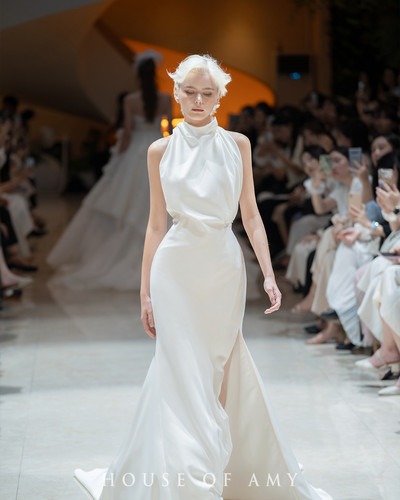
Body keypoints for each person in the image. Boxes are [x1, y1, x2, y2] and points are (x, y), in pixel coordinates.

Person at [73, 54, 332, 500]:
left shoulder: (238, 145)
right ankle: (189, 478)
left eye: (206, 93)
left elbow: (252, 216)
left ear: (219, 98)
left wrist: (269, 274)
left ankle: (217, 466)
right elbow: (156, 225)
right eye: (189, 92)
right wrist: (145, 293)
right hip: (174, 269)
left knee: (217, 365)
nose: (197, 100)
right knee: (179, 369)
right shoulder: (159, 151)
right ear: (176, 94)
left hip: (223, 268)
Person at [47, 50, 172, 290]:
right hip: (158, 149)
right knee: (158, 203)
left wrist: (116, 161)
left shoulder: (130, 100)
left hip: (135, 153)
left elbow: (127, 134)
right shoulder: (165, 98)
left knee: (126, 203)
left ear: (138, 75)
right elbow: (171, 132)